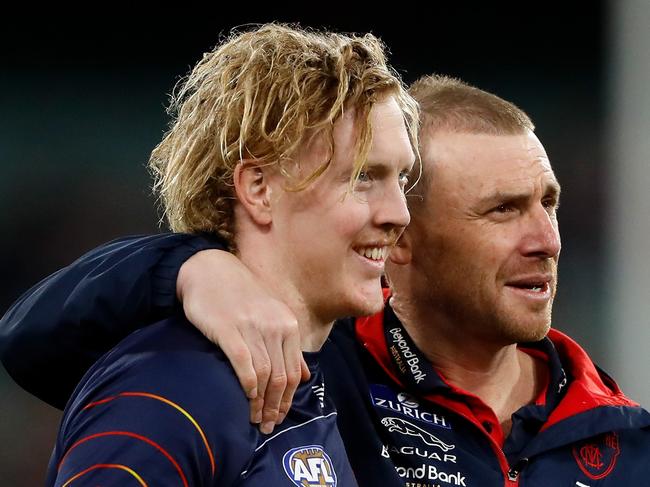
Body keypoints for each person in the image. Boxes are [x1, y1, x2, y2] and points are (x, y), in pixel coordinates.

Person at [3, 75, 650, 486]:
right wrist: (189, 267)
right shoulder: (310, 370)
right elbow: (29, 335)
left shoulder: (628, 441)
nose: (548, 239)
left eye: (550, 202)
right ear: (404, 242)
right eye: (502, 209)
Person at [4, 23, 420, 486]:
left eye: (402, 179)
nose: (399, 213)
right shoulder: (169, 388)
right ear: (259, 189)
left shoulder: (324, 382)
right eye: (363, 176)